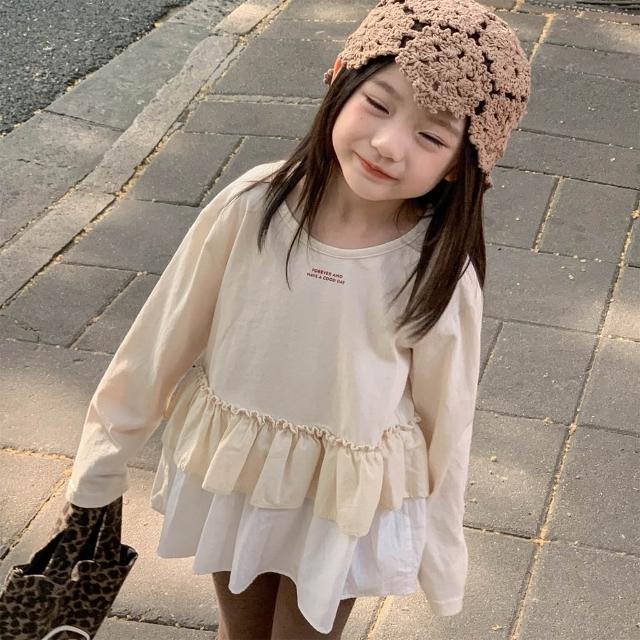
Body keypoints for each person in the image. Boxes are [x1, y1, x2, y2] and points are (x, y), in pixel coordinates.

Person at [64, 0, 531, 637]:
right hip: (238, 471)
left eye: (431, 136)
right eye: (377, 103)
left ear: (461, 163)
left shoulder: (435, 268)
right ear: (339, 77)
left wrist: (440, 548)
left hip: (342, 500)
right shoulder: (253, 204)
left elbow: (448, 418)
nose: (388, 144)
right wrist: (104, 456)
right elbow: (162, 336)